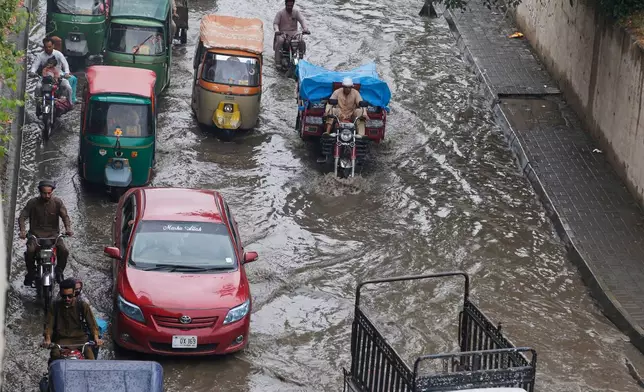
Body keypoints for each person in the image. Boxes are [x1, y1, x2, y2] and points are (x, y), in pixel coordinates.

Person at [18, 180, 73, 286]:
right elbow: (22, 216)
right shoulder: (32, 203)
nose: (47, 195)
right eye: (44, 193)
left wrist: (68, 229)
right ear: (40, 192)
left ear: (52, 192)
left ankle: (59, 271)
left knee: (64, 251)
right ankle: (31, 272)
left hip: (53, 236)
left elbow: (65, 216)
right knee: (30, 251)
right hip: (36, 236)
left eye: (49, 193)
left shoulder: (57, 202)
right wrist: (23, 231)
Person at [42, 279, 103, 364]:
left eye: (70, 296)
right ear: (60, 293)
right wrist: (47, 340)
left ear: (74, 293)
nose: (67, 299)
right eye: (64, 296)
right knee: (54, 360)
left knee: (91, 363)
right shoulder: (54, 306)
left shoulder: (83, 305)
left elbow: (92, 324)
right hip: (60, 341)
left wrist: (96, 339)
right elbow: (49, 326)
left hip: (81, 341)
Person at [29, 37, 73, 113]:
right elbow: (35, 65)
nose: (48, 49)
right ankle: (39, 105)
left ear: (53, 46)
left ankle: (70, 104)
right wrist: (32, 72)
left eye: (49, 46)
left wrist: (66, 73)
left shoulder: (58, 54)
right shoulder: (40, 56)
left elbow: (65, 64)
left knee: (68, 87)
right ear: (43, 47)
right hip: (45, 78)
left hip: (58, 76)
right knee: (38, 87)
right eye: (46, 47)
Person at [74, 279, 108, 359]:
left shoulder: (83, 304)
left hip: (79, 335)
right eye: (75, 289)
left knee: (91, 359)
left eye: (79, 289)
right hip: (65, 337)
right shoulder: (58, 305)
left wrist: (96, 338)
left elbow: (92, 322)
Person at [273, 0, 310, 68]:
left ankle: (301, 59)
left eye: (291, 6)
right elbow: (275, 23)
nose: (289, 7)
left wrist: (305, 28)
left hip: (294, 33)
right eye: (288, 5)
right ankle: (278, 62)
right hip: (283, 33)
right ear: (285, 4)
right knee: (280, 41)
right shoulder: (280, 13)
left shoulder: (296, 12)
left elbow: (302, 20)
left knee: (301, 41)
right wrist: (277, 30)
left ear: (293, 5)